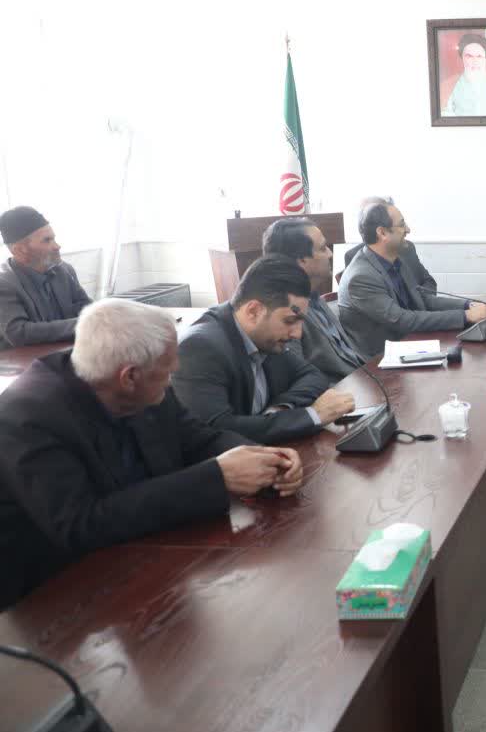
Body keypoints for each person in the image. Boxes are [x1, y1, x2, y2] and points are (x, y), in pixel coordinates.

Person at [0, 299, 304, 609]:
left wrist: (263, 459)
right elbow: (81, 524)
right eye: (168, 372)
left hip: (154, 553)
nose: (172, 378)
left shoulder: (138, 376)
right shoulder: (25, 416)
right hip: (60, 593)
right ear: (129, 377)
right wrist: (218, 476)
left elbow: (196, 438)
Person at [175, 257, 353, 444]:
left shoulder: (264, 337)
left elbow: (312, 375)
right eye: (290, 321)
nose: (297, 334)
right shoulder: (199, 348)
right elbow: (216, 431)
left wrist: (280, 409)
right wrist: (312, 416)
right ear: (253, 311)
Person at [339, 201, 486, 357]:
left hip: (409, 344)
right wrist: (466, 316)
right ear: (382, 233)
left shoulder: (395, 259)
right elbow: (402, 320)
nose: (408, 230)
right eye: (402, 224)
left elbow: (423, 300)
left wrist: (469, 305)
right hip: (378, 361)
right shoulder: (361, 277)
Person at [263, 217, 365, 381]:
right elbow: (297, 380)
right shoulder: (284, 312)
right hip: (338, 391)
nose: (330, 254)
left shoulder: (312, 295)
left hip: (361, 377)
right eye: (323, 248)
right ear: (301, 260)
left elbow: (347, 355)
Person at [0, 206, 92, 349]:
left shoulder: (64, 270)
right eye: (47, 240)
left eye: (54, 239)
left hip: (67, 352)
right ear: (20, 250)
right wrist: (86, 324)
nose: (57, 246)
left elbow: (88, 309)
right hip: (26, 360)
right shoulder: (4, 283)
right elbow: (19, 332)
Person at [442, 33, 486, 117]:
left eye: (479, 56)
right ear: (462, 58)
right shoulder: (450, 85)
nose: (475, 61)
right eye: (469, 56)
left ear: (485, 59)